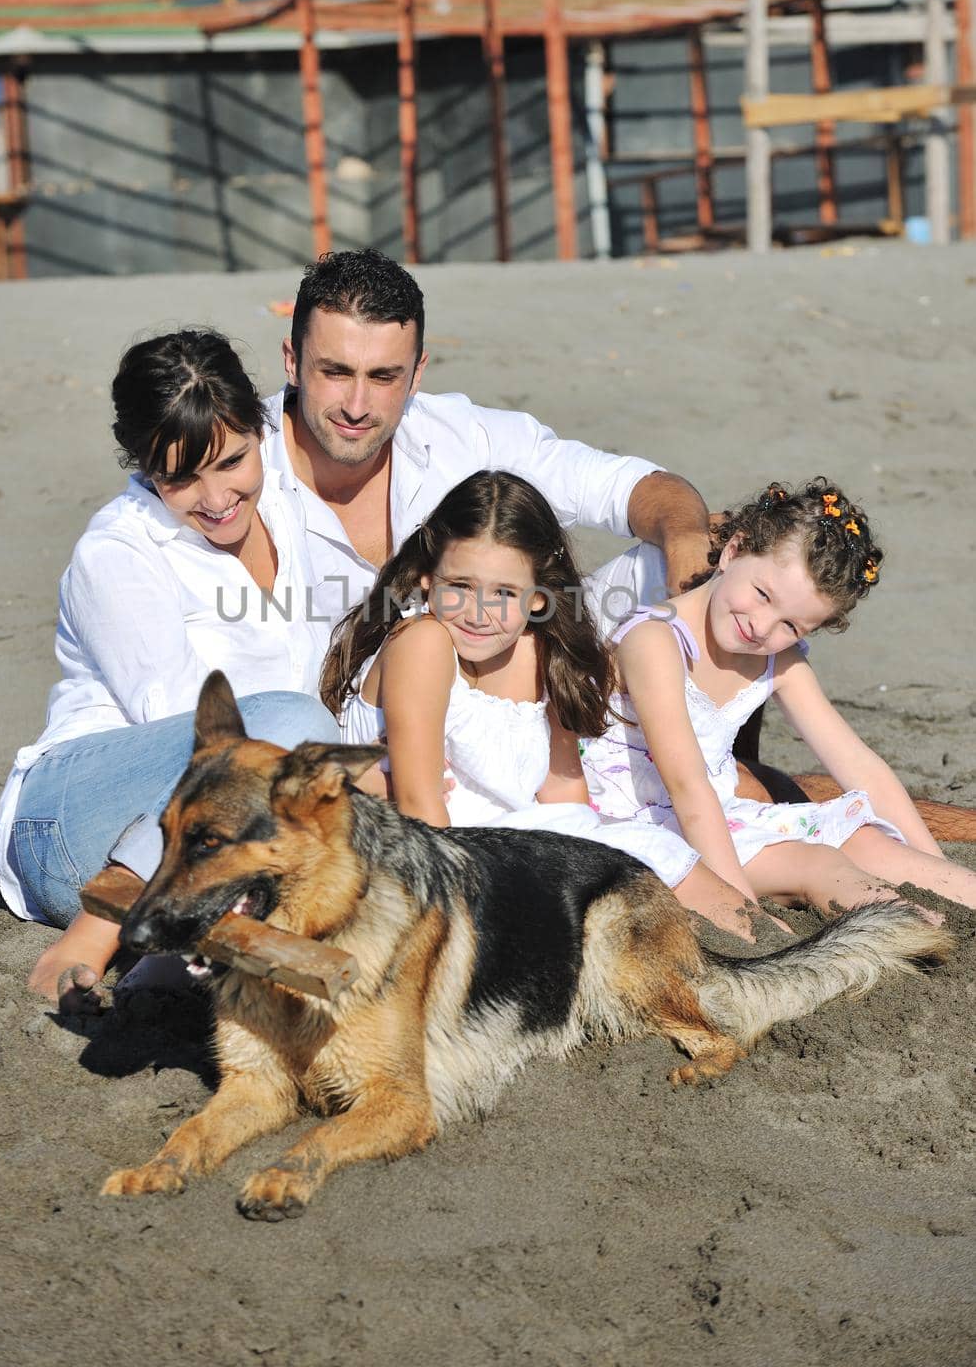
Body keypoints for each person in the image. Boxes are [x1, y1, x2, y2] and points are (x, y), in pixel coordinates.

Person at [0, 327, 339, 1009]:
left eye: (232, 461)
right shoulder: (119, 552)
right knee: (286, 724)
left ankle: (169, 965)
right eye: (180, 477)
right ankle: (96, 933)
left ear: (261, 430)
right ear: (143, 465)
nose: (214, 498)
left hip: (220, 837)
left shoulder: (295, 515)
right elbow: (193, 737)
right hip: (72, 824)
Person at [264, 248, 713, 663]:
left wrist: (688, 542)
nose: (357, 406)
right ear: (292, 360)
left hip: (484, 692)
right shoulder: (230, 467)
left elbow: (635, 488)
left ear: (417, 373)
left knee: (727, 562)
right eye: (336, 372)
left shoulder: (464, 436)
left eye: (384, 377)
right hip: (318, 723)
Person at [580, 479, 976, 938]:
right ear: (733, 550)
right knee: (817, 862)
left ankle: (956, 911)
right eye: (763, 594)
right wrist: (737, 908)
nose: (762, 626)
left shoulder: (778, 660)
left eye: (791, 623)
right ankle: (919, 937)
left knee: (861, 836)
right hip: (635, 826)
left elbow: (857, 764)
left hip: (717, 813)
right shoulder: (654, 639)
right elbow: (686, 784)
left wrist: (933, 861)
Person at [320, 469, 698, 890]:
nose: (479, 614)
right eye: (461, 586)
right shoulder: (422, 642)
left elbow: (563, 797)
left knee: (655, 850)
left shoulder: (541, 656)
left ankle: (757, 933)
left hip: (505, 843)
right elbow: (420, 810)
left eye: (503, 593)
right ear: (428, 579)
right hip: (437, 864)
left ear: (537, 596)